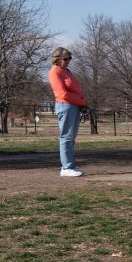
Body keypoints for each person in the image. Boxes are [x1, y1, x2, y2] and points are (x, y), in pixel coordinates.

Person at [47, 47, 87, 177]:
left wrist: (82, 103)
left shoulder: (67, 71)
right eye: (65, 59)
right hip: (65, 106)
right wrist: (80, 102)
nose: (68, 61)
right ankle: (66, 167)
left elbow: (75, 89)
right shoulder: (55, 72)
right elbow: (62, 94)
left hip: (74, 106)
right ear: (57, 59)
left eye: (70, 58)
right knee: (66, 137)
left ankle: (71, 165)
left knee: (71, 137)